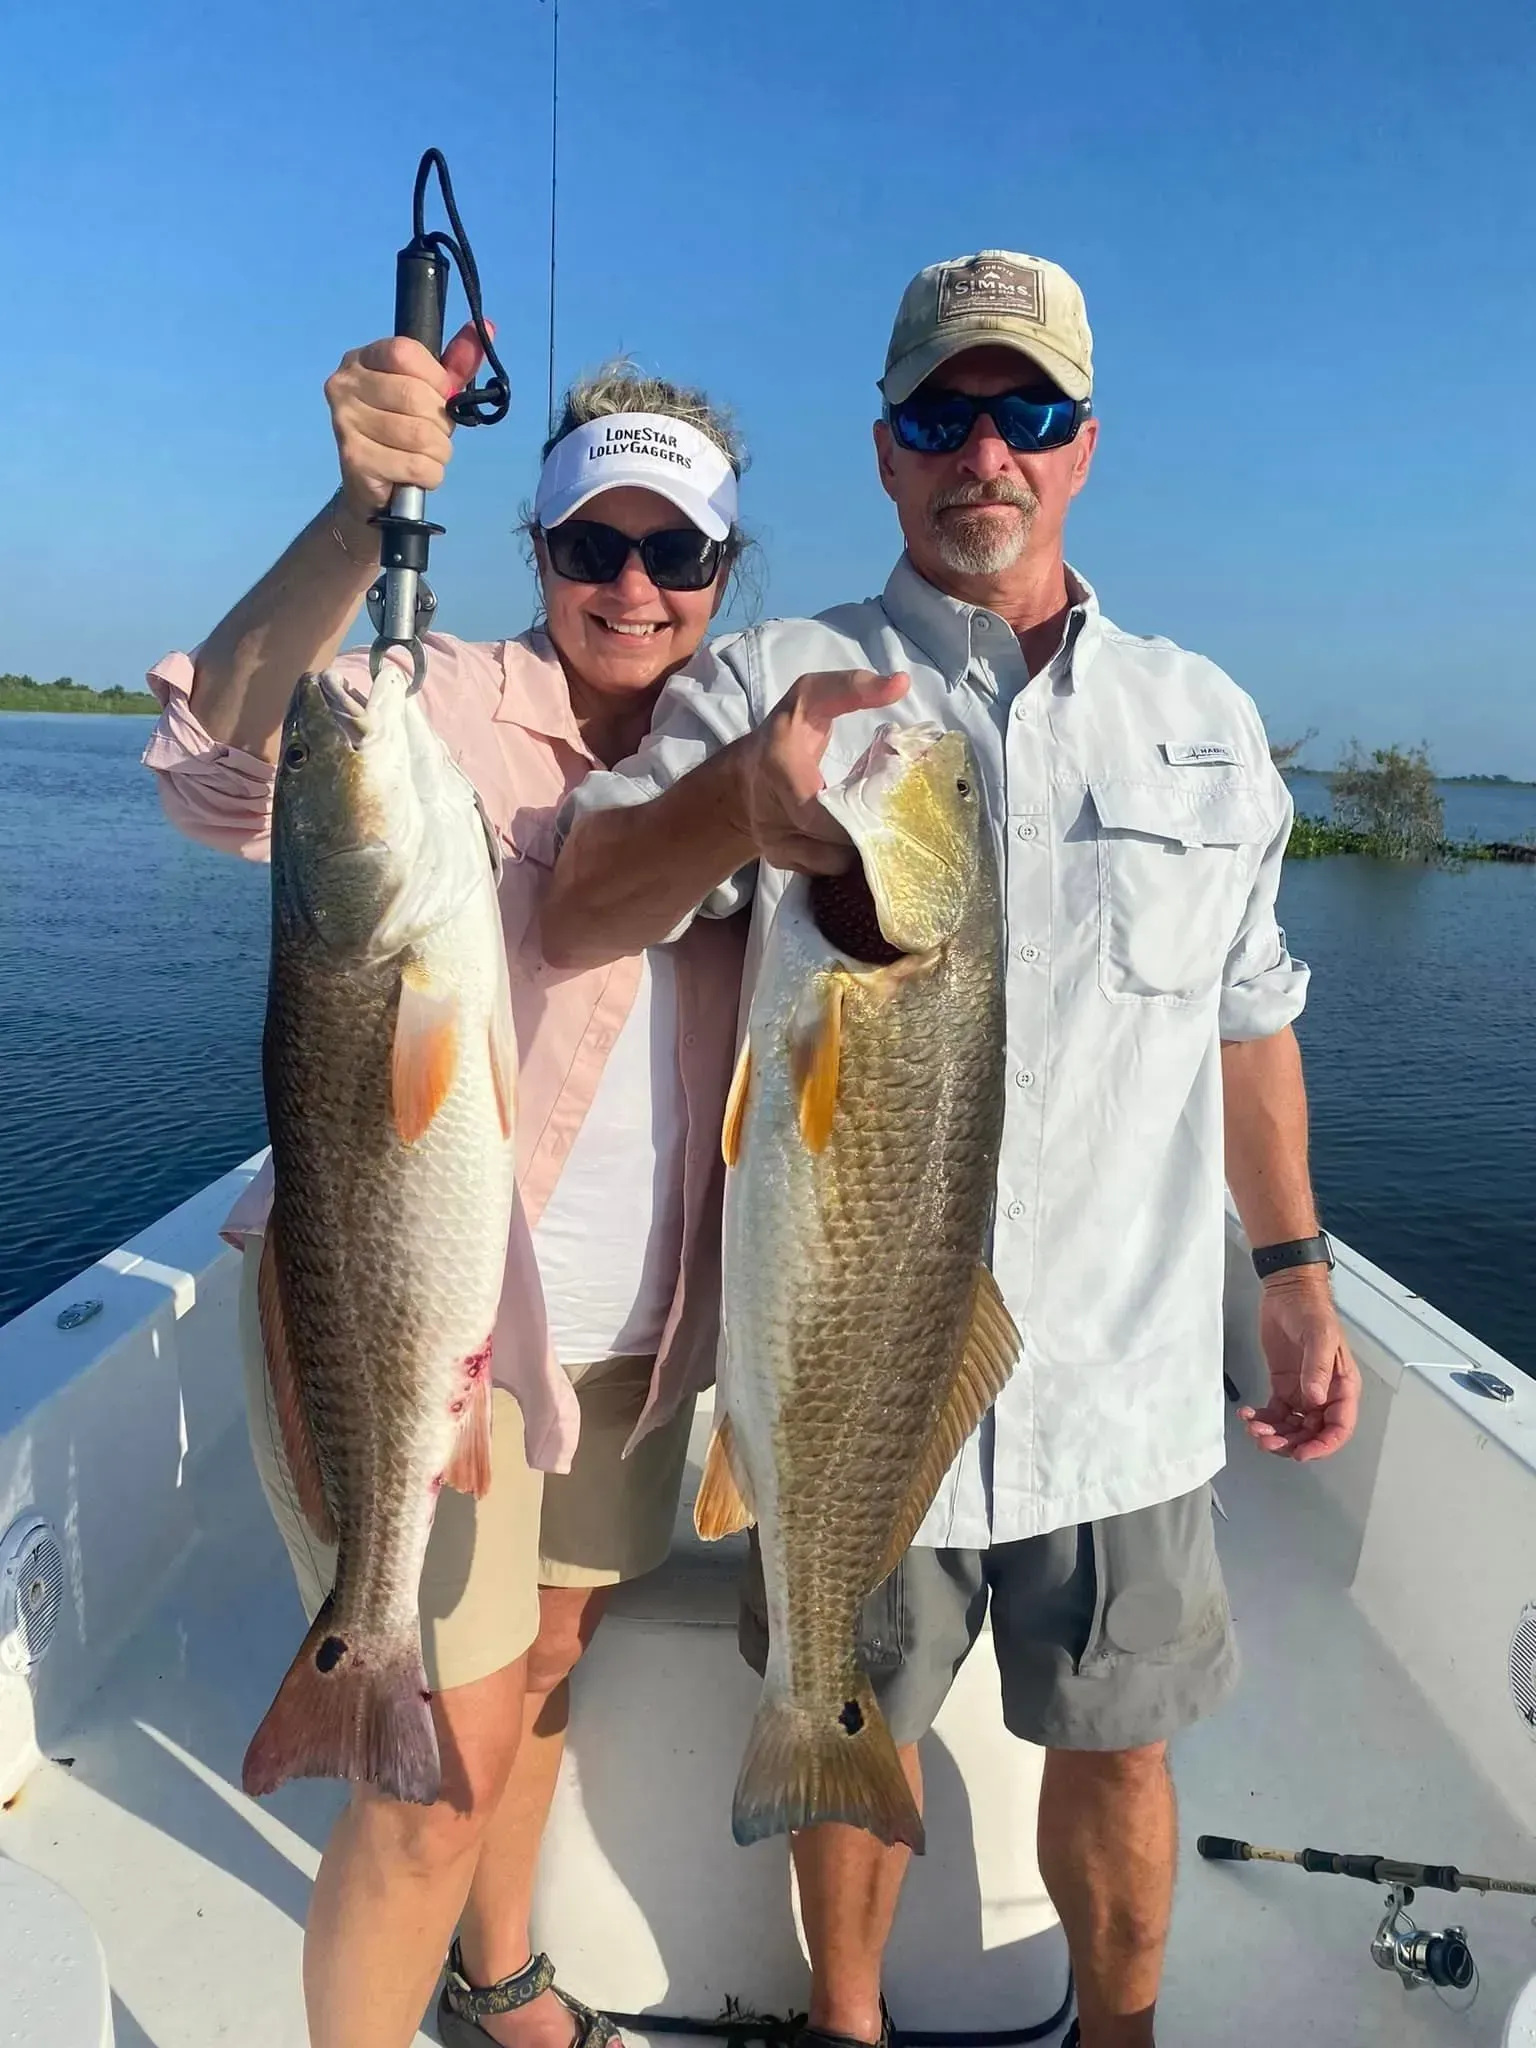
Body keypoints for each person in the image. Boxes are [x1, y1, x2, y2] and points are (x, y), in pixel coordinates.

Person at [541, 249, 1363, 2048]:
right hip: (841, 1358)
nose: (983, 452)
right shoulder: (776, 676)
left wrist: (1295, 1273)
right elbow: (589, 893)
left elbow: (1251, 1020)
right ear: (887, 447)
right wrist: (738, 806)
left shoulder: (1205, 723)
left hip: (1124, 1367)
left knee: (1123, 1747)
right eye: (941, 414)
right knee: (847, 1729)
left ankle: (1121, 2032)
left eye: (1028, 414)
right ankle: (849, 2027)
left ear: (1083, 446)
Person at [142, 328, 748, 2048]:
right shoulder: (438, 708)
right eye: (589, 546)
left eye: (673, 550)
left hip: (635, 1337)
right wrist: (356, 517)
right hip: (414, 1312)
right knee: (422, 1791)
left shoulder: (747, 743)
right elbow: (214, 762)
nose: (631, 586)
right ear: (537, 552)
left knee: (545, 1671)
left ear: (720, 569)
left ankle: (498, 1983)